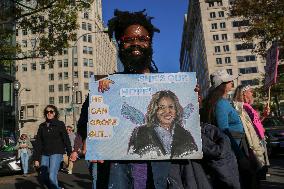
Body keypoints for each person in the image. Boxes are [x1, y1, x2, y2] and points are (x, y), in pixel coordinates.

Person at [71, 9, 215, 189]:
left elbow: (189, 128)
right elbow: (88, 124)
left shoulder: (172, 87)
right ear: (120, 44)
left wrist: (193, 100)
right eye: (128, 40)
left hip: (163, 175)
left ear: (150, 43)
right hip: (119, 174)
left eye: (142, 39)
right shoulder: (107, 86)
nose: (135, 43)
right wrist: (88, 138)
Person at [204, 69, 258, 189]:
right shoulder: (221, 104)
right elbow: (224, 132)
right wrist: (240, 156)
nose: (231, 83)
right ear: (222, 85)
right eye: (229, 81)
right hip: (233, 151)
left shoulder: (222, 102)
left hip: (235, 148)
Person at [128, 90, 198, 158]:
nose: (167, 111)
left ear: (176, 110)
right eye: (161, 107)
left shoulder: (186, 135)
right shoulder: (140, 133)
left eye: (171, 107)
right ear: (155, 111)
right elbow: (132, 157)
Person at [233, 85, 270, 179]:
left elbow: (255, 124)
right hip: (255, 140)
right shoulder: (244, 107)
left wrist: (264, 116)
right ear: (244, 93)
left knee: (260, 169)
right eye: (250, 91)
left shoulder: (248, 107)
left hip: (259, 138)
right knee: (258, 169)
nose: (252, 93)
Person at [33, 105, 72, 189]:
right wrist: (36, 158)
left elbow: (66, 139)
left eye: (51, 112)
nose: (49, 113)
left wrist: (70, 153)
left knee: (52, 175)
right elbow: (38, 143)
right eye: (47, 112)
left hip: (56, 152)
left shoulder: (59, 124)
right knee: (43, 176)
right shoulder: (42, 126)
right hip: (45, 153)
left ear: (55, 113)